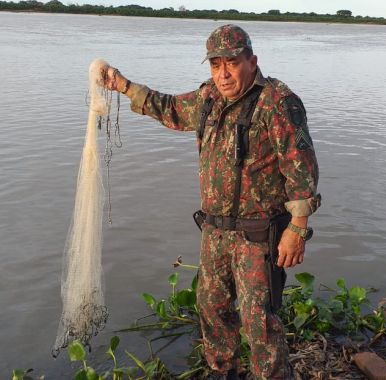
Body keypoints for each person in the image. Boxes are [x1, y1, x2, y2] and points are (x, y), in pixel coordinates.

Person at [102, 24, 320, 380]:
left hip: (258, 235)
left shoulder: (278, 102)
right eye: (215, 64)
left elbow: (302, 171)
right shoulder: (209, 98)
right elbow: (170, 108)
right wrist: (122, 85)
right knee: (212, 308)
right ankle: (224, 372)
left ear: (251, 61)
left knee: (258, 321)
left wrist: (297, 229)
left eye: (231, 63)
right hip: (215, 231)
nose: (223, 73)